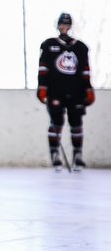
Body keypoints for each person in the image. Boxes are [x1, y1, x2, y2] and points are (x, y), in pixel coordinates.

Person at [38, 12, 94, 171]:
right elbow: (43, 69)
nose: (64, 27)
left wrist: (88, 88)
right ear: (58, 26)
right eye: (62, 24)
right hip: (55, 91)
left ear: (70, 26)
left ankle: (77, 155)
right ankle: (55, 154)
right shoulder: (48, 45)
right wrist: (42, 87)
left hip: (76, 91)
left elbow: (85, 71)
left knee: (76, 122)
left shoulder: (80, 47)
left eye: (67, 24)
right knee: (56, 121)